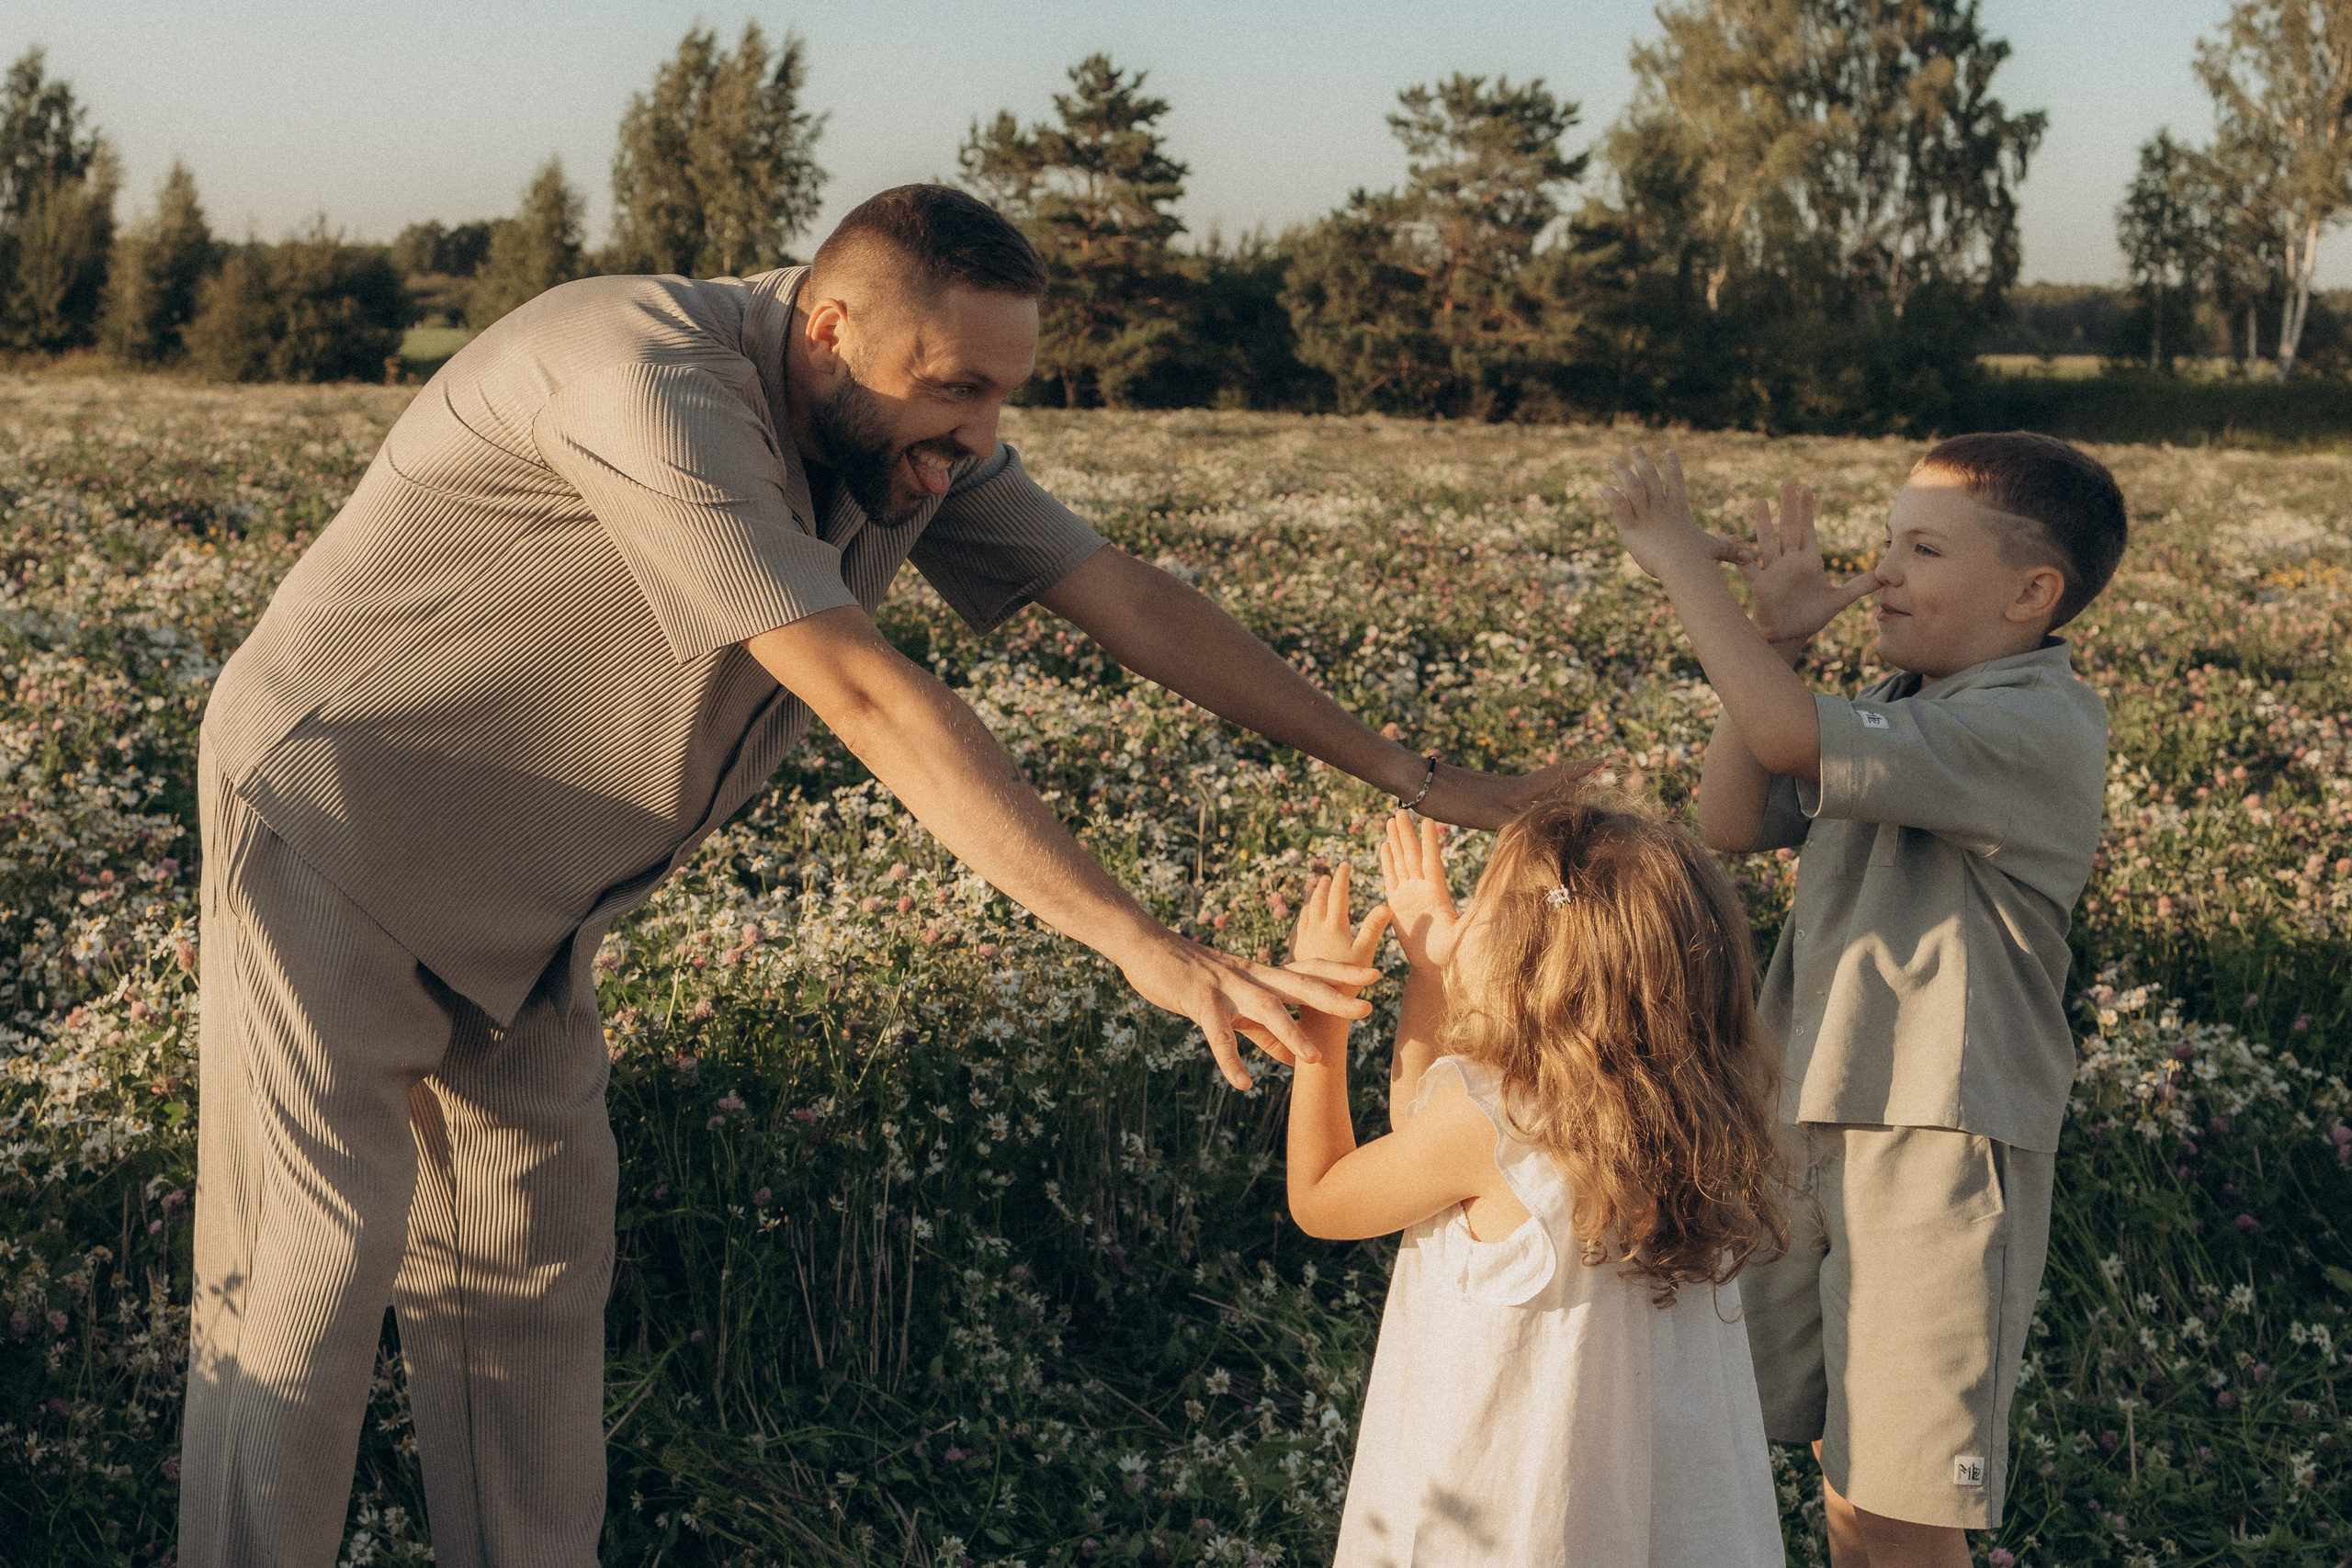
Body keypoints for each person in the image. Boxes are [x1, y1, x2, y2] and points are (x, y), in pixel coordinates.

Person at [182, 184, 1580, 1568]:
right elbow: (868, 694)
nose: (978, 441)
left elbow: (1129, 598)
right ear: (833, 329)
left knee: (532, 1291)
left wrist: (1422, 776)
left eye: (1002, 401)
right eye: (960, 391)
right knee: (304, 1289)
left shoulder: (903, 441)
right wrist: (1154, 951)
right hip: (334, 824)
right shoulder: (642, 374)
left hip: (535, 904)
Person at [1603, 434, 2125, 1568]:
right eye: (1886, 540)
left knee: (1899, 1498)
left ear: (2033, 594)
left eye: (1923, 548)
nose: (1882, 569)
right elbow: (1735, 819)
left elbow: (1790, 732)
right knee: (1838, 1474)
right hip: (1812, 1107)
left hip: (1941, 1131)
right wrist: (1778, 635)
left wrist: (1684, 567)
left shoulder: (2034, 720)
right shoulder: (1899, 702)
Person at [1280, 801, 1788, 1566]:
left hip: (1507, 1511)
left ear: (1529, 957)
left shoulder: (1490, 1121)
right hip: (1640, 1507)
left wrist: (1320, 1011)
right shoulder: (1678, 1119)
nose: (1466, 915)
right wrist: (1430, 973)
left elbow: (1321, 1195)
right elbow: (1422, 1120)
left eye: (1482, 901)